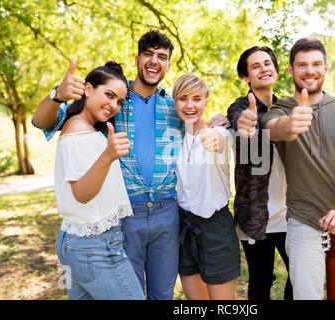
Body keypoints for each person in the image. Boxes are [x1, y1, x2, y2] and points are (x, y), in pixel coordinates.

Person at [33, 30, 228, 300]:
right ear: (137, 58)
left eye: (162, 57)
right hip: (126, 213)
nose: (154, 61)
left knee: (162, 293)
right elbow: (44, 122)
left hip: (166, 211)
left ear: (168, 65)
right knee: (129, 289)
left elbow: (202, 125)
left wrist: (223, 120)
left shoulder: (174, 107)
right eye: (148, 54)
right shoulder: (113, 98)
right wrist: (56, 96)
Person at [260, 37, 335, 300]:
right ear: (290, 69)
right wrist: (292, 123)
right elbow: (274, 130)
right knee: (305, 296)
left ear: (326, 67)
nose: (310, 70)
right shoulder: (279, 110)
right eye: (302, 65)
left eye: (316, 64)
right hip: (303, 223)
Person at [53, 61, 145, 300]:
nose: (114, 105)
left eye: (119, 101)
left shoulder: (83, 128)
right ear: (87, 89)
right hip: (95, 247)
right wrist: (108, 155)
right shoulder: (78, 133)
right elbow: (82, 194)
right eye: (109, 95)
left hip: (76, 241)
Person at [226, 46, 292, 301]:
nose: (264, 68)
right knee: (261, 281)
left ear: (275, 70)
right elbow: (238, 119)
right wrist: (244, 122)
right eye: (256, 66)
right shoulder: (241, 106)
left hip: (290, 213)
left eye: (268, 63)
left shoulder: (285, 107)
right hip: (255, 214)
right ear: (246, 77)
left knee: (300, 275)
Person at [173, 74, 240, 300]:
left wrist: (212, 137)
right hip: (184, 226)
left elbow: (219, 142)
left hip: (216, 228)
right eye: (183, 98)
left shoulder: (220, 132)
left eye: (196, 98)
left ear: (206, 103)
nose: (190, 105)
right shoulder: (174, 140)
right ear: (175, 103)